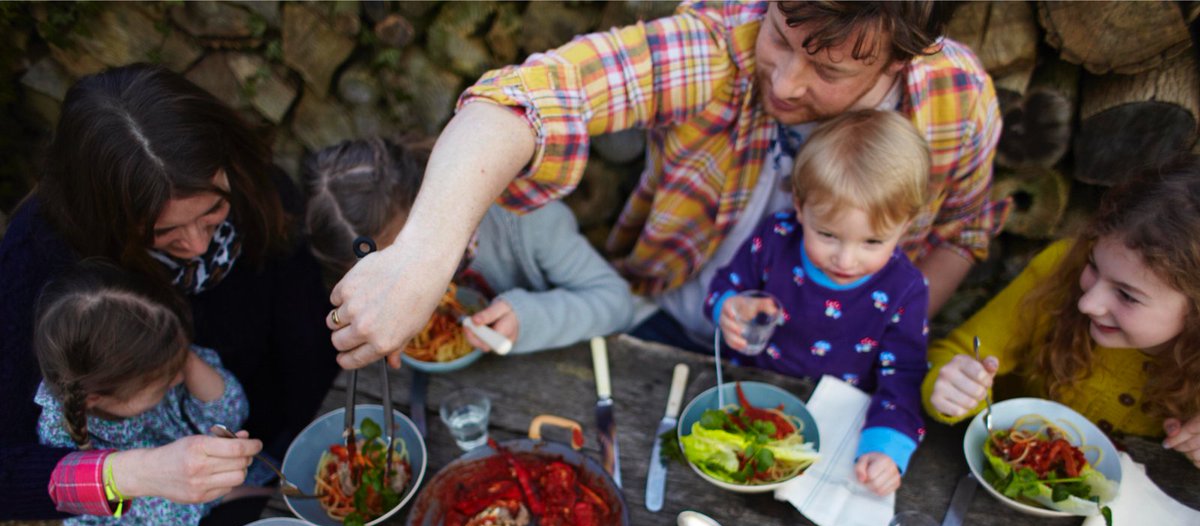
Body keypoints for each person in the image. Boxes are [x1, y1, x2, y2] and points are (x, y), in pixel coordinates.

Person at [325, 1, 1006, 369]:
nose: (786, 83)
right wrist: (421, 256)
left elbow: (962, 231)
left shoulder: (956, 100)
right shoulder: (717, 42)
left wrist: (877, 335)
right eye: (781, 38)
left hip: (839, 364)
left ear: (900, 58)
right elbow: (533, 96)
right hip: (672, 325)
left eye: (828, 72)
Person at [0, 63, 339, 521]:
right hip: (162, 513)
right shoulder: (39, 261)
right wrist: (139, 473)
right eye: (163, 231)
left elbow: (304, 341)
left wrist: (316, 444)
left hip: (281, 449)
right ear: (106, 215)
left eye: (214, 210)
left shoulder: (256, 183)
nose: (198, 246)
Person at [923, 154, 1200, 469]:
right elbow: (955, 354)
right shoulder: (1059, 270)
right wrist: (951, 390)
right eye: (1093, 266)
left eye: (1126, 295)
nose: (1087, 303)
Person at [708, 110, 930, 495]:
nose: (845, 260)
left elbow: (905, 376)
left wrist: (886, 449)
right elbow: (724, 286)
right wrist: (729, 308)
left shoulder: (904, 288)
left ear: (905, 225)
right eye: (827, 234)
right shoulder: (776, 239)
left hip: (839, 427)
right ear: (800, 206)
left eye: (872, 242)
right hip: (751, 397)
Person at [34, 260, 249, 526]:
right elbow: (164, 512)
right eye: (167, 379)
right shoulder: (65, 442)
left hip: (213, 496)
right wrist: (240, 494)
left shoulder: (155, 357)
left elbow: (232, 412)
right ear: (95, 398)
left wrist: (185, 357)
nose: (179, 378)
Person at [303, 137, 633, 354]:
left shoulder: (523, 217)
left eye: (401, 257)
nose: (395, 284)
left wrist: (528, 318)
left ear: (424, 198)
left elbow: (617, 302)